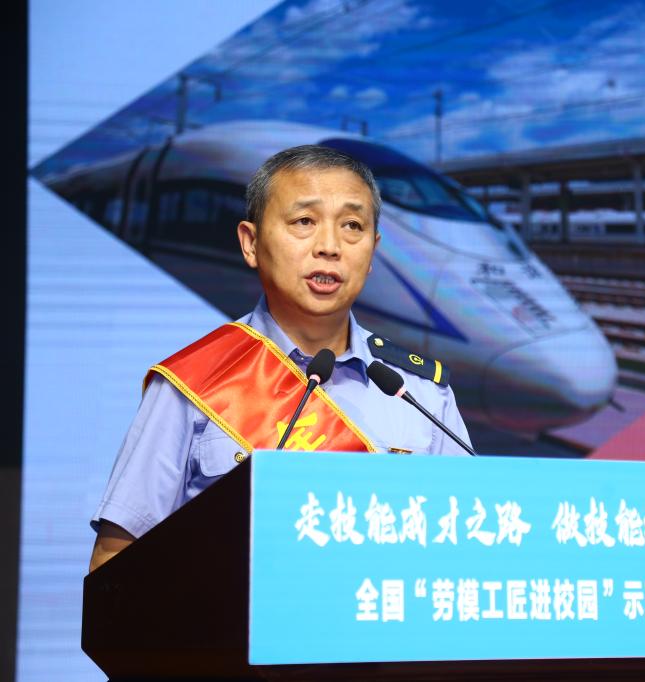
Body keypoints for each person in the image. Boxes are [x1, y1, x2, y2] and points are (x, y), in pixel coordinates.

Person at [88, 145, 472, 572]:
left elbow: (470, 551)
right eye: (304, 221)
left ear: (373, 250)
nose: (330, 246)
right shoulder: (195, 385)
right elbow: (113, 565)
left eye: (352, 226)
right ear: (251, 243)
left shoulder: (419, 393)